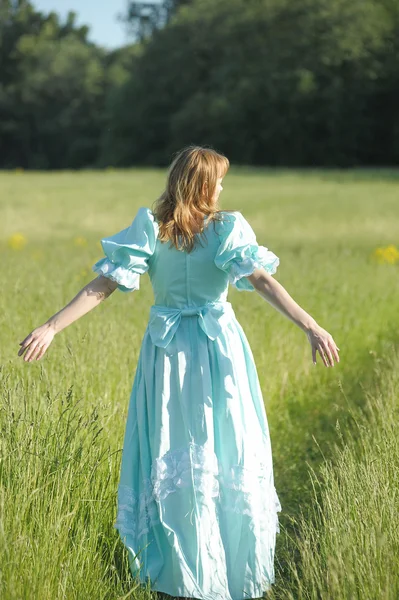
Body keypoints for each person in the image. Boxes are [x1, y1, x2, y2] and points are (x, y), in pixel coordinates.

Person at [18, 145, 340, 600]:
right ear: (204, 184)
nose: (224, 188)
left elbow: (104, 285)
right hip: (206, 346)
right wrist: (312, 326)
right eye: (220, 180)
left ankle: (196, 572)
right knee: (216, 444)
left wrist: (51, 327)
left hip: (173, 351)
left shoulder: (169, 228)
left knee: (182, 446)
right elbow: (261, 281)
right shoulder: (192, 228)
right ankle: (207, 572)